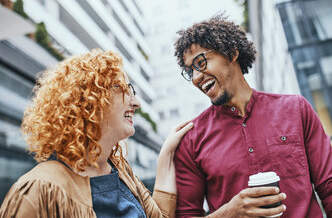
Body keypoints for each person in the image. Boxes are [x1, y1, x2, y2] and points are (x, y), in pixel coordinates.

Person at [173, 15, 332, 218]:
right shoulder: (191, 139)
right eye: (189, 70)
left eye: (200, 62)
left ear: (231, 53)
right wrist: (229, 213)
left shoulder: (296, 109)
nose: (196, 77)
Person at [0, 49, 193, 218]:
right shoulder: (36, 190)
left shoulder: (121, 172)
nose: (136, 103)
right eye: (120, 88)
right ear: (88, 101)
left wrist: (166, 152)